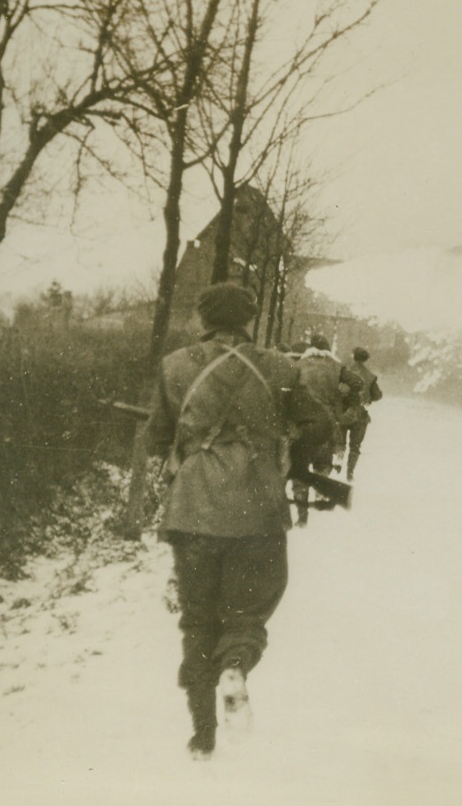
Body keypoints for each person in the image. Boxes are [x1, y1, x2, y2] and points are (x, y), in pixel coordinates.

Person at [145, 282, 333, 761]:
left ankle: (202, 734)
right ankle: (235, 666)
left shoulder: (175, 365)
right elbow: (320, 424)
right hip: (258, 509)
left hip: (192, 510)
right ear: (248, 319)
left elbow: (157, 437)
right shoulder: (280, 367)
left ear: (205, 318)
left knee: (197, 620)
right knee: (247, 611)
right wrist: (290, 454)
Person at [290, 333, 363, 477]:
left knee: (299, 466)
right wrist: (342, 390)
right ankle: (321, 495)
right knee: (323, 464)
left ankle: (299, 497)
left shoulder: (298, 365)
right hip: (326, 422)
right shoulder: (336, 366)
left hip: (301, 422)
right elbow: (358, 383)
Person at [342, 346, 383, 480]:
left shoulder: (344, 371)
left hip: (342, 412)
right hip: (360, 414)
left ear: (353, 356)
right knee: (355, 446)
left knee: (339, 442)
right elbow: (378, 395)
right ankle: (350, 473)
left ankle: (336, 467)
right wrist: (368, 398)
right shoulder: (370, 376)